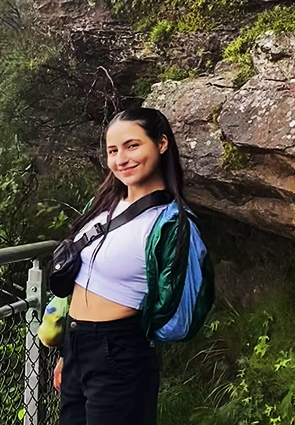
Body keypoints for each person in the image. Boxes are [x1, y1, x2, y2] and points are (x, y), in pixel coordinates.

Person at [53, 107, 192, 425]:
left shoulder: (169, 221)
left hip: (119, 349)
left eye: (132, 146)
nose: (121, 159)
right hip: (77, 343)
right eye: (113, 151)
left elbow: (177, 304)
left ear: (162, 144)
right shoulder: (103, 206)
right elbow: (81, 277)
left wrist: (133, 339)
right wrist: (68, 354)